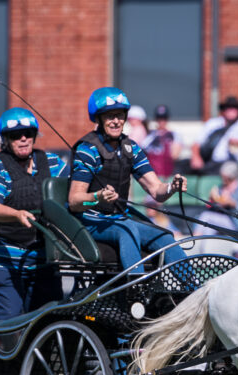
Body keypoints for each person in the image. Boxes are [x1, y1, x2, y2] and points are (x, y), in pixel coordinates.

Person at [68, 87, 187, 273]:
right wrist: (97, 197)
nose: (116, 121)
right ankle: (135, 290)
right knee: (127, 230)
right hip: (90, 221)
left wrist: (172, 187)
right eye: (109, 116)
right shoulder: (87, 150)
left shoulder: (131, 148)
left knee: (164, 236)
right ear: (98, 119)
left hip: (121, 219)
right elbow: (75, 201)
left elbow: (156, 190)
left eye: (120, 115)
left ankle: (193, 291)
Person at [0, 108, 67, 320]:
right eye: (15, 135)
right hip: (4, 262)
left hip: (42, 260)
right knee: (12, 324)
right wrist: (17, 214)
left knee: (49, 322)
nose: (23, 139)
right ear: (5, 140)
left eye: (28, 133)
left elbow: (75, 190)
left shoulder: (52, 163)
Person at [190, 96, 238, 175]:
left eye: (234, 108)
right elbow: (196, 143)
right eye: (228, 108)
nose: (231, 110)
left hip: (235, 163)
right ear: (223, 110)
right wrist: (196, 157)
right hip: (211, 163)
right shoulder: (213, 123)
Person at [195, 161, 238, 235]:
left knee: (206, 216)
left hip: (235, 223)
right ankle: (204, 245)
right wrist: (212, 200)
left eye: (225, 177)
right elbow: (211, 206)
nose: (222, 179)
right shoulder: (220, 188)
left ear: (232, 176)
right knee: (208, 227)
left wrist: (232, 203)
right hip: (220, 219)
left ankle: (195, 239)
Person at [142, 104, 183, 178]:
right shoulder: (150, 135)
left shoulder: (174, 135)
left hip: (168, 173)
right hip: (152, 174)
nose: (161, 121)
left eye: (164, 118)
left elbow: (175, 155)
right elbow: (143, 150)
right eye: (159, 118)